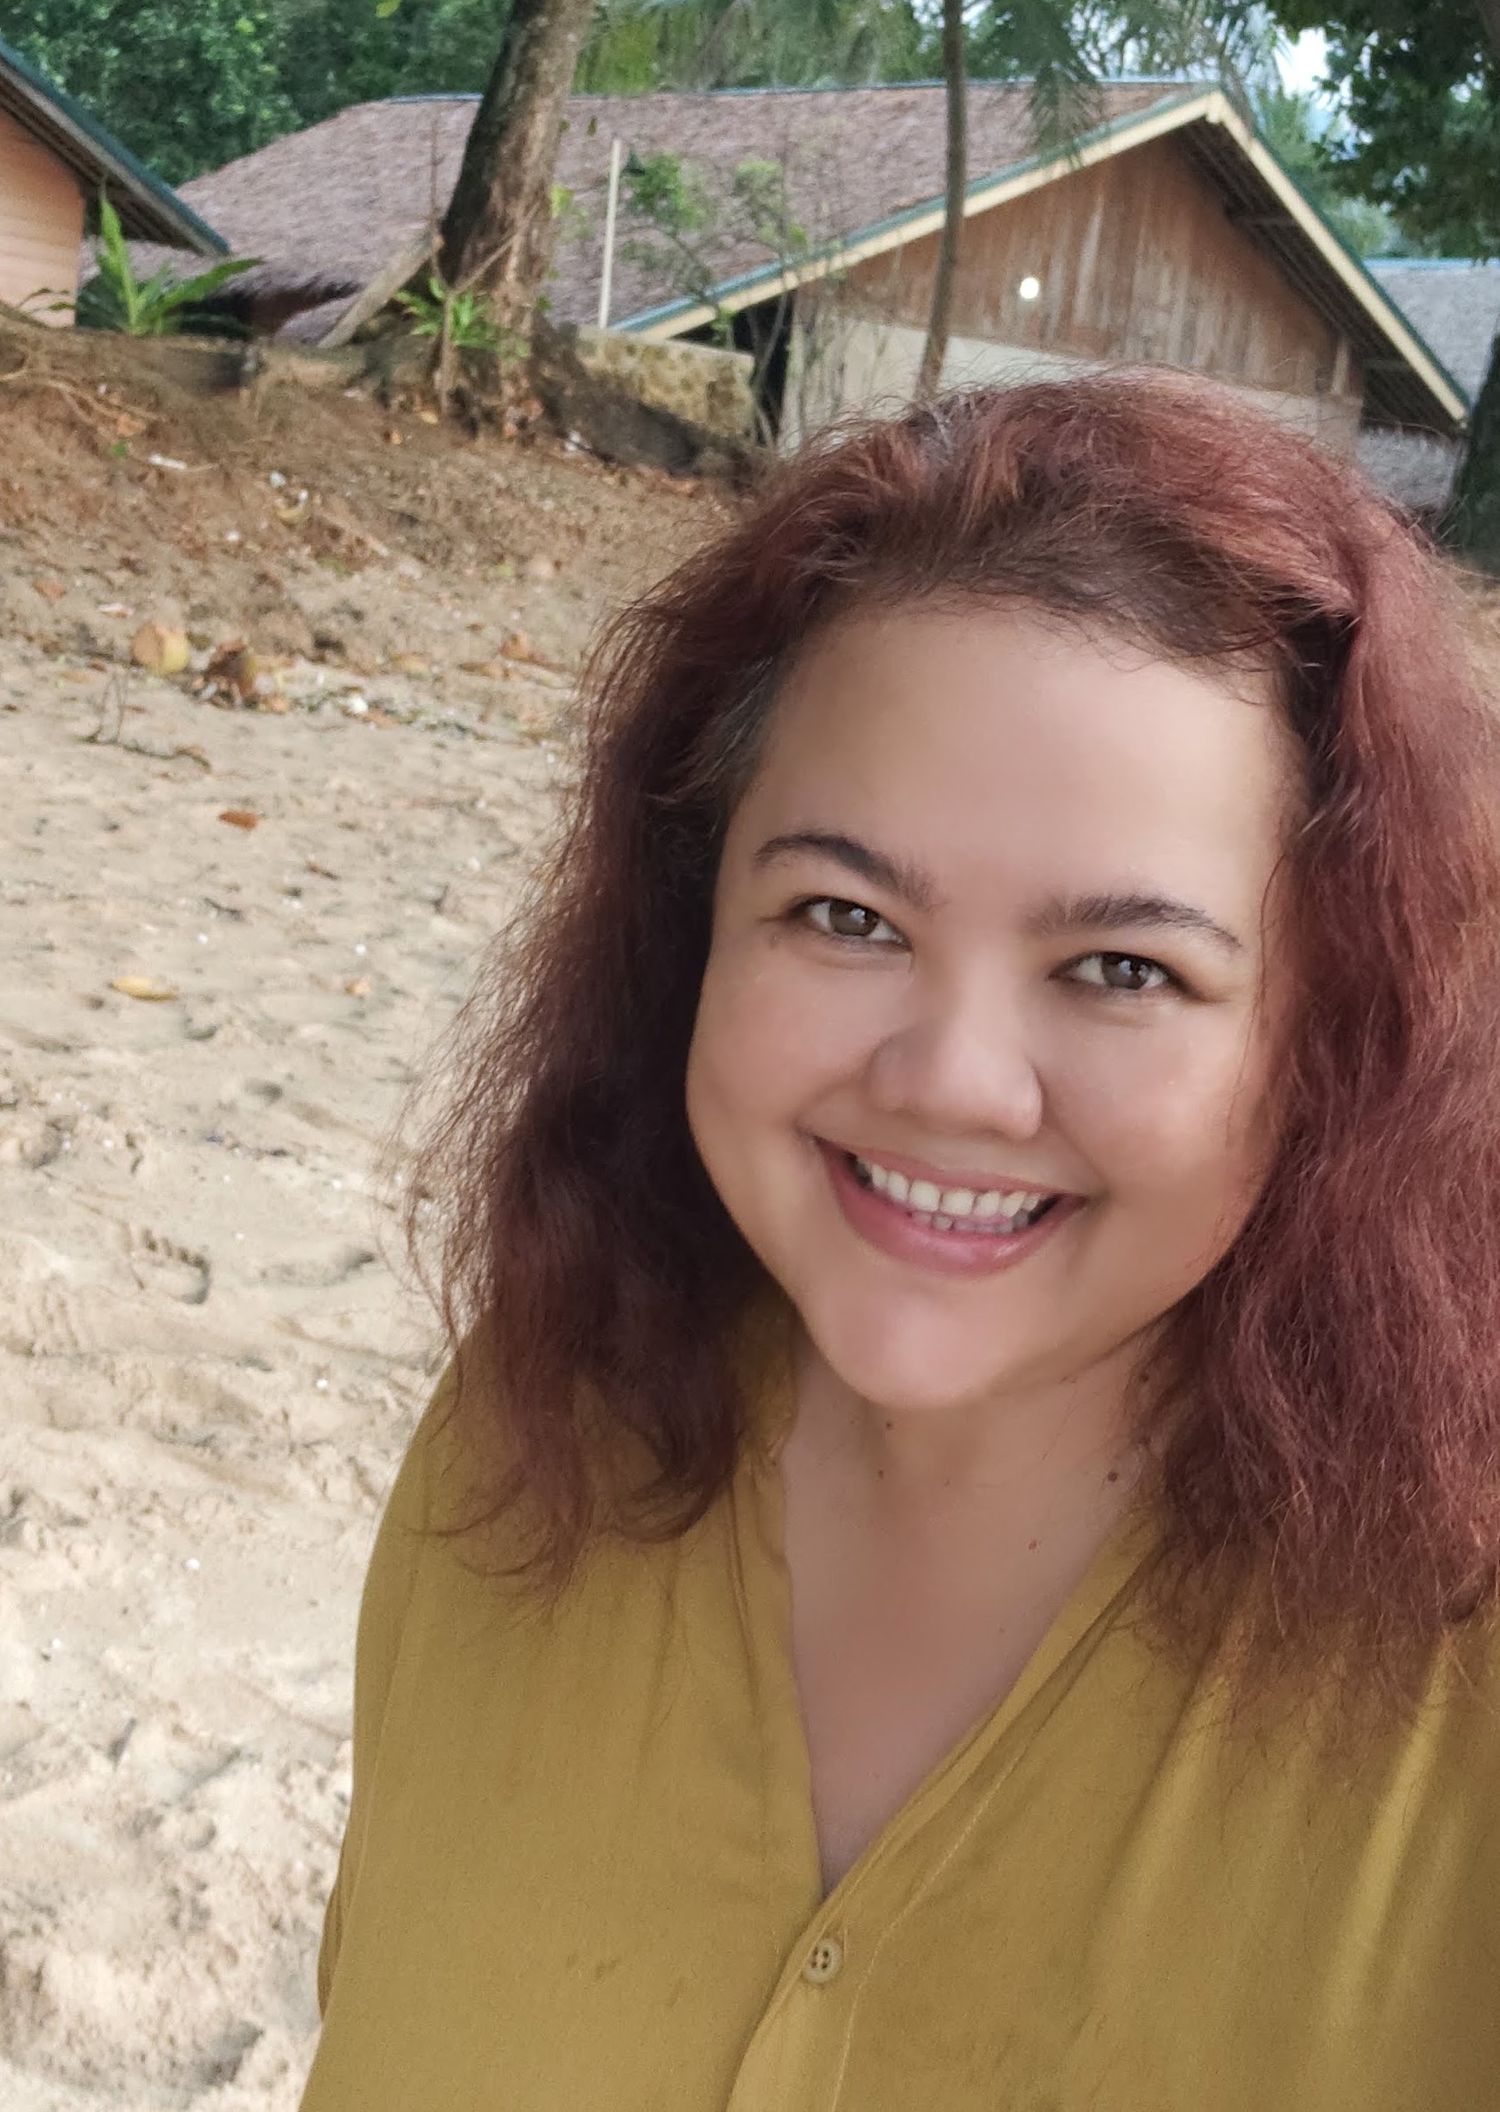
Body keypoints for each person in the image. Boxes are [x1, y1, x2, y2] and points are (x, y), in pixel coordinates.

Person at [299, 373, 1500, 2112]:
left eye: (1124, 968)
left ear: (1331, 1040)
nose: (950, 1082)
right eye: (846, 917)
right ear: (696, 923)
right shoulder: (531, 1429)